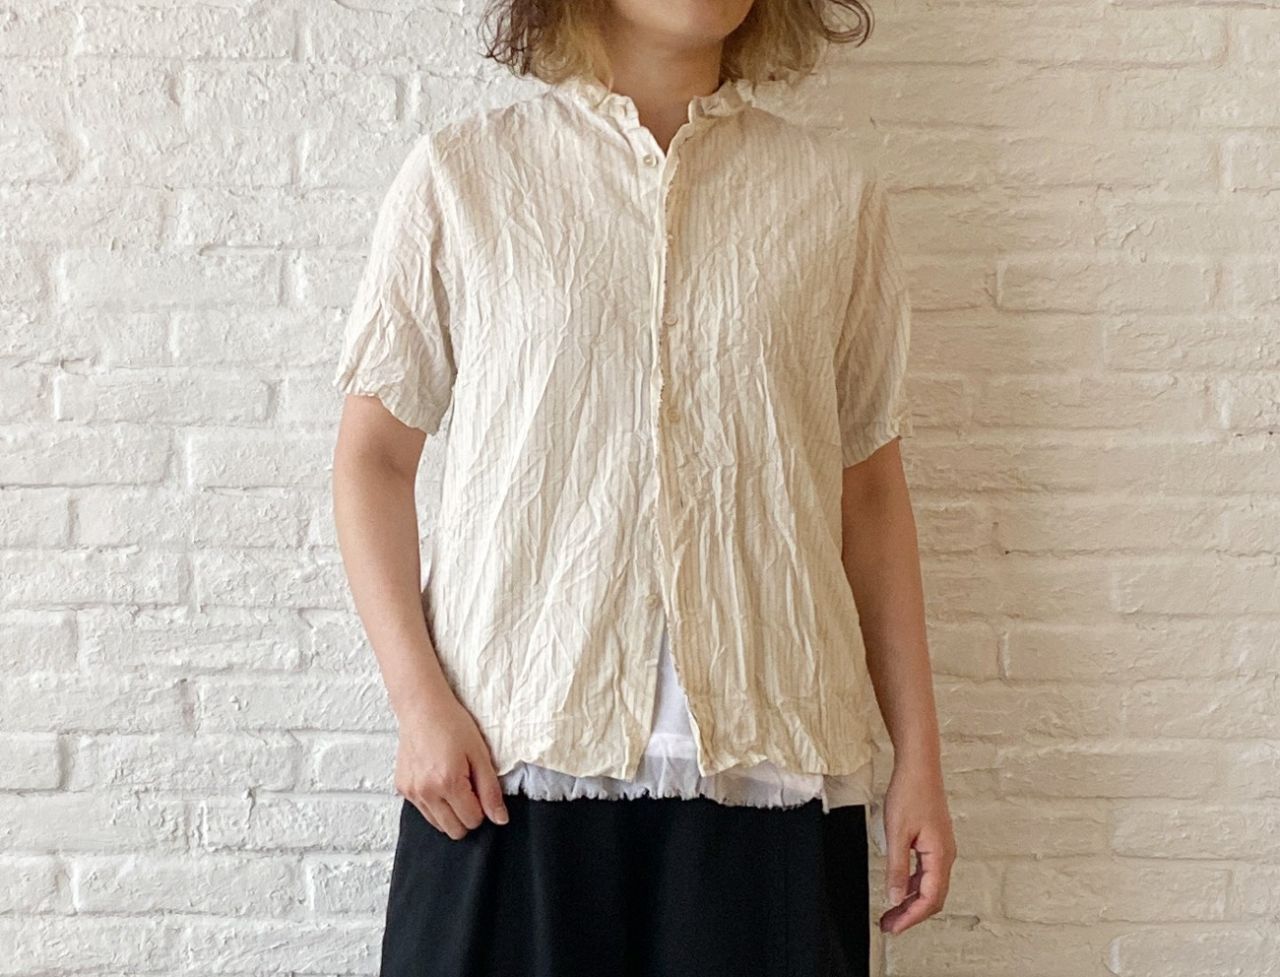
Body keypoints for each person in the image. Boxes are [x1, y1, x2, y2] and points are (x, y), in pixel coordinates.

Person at [331, 1, 955, 974]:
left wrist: (918, 758)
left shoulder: (832, 198)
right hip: (509, 769)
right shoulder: (467, 177)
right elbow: (372, 458)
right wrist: (419, 704)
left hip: (770, 775)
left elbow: (868, 492)